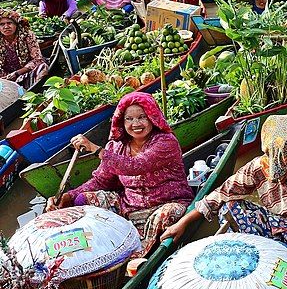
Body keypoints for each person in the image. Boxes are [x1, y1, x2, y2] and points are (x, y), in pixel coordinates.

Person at [161, 115, 287, 274]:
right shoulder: (260, 168)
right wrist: (183, 223)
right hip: (274, 231)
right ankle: (261, 260)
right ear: (279, 158)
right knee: (230, 206)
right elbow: (223, 193)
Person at [47, 92, 193, 256]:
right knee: (83, 200)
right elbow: (101, 181)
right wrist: (70, 196)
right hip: (128, 206)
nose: (136, 123)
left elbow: (134, 166)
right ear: (121, 122)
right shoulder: (116, 146)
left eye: (142, 117)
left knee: (169, 215)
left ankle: (136, 255)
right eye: (129, 119)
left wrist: (95, 149)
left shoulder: (165, 142)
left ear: (152, 117)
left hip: (166, 204)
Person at [0, 9, 48, 88]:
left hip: (26, 72)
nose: (6, 27)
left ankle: (33, 89)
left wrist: (17, 73)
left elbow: (37, 59)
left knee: (43, 67)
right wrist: (6, 78)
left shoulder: (27, 35)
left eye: (9, 23)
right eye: (2, 24)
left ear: (16, 24)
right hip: (6, 77)